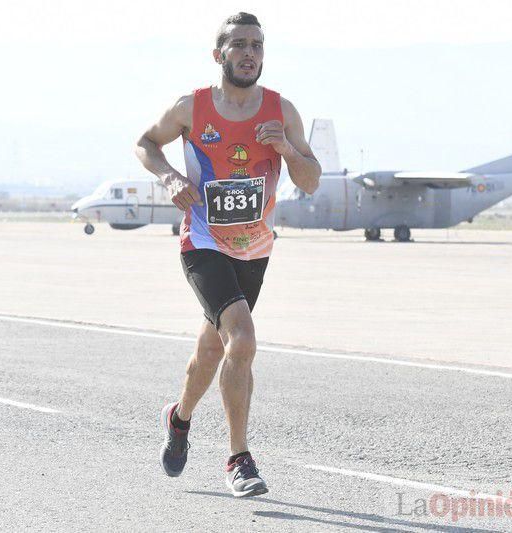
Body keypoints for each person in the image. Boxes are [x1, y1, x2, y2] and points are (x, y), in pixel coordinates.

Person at [134, 12, 321, 497]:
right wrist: (171, 177)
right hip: (203, 241)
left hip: (255, 249)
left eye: (257, 45)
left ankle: (179, 418)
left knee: (212, 350)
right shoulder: (192, 107)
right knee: (242, 337)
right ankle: (239, 459)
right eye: (238, 45)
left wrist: (286, 148)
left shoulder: (282, 112)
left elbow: (310, 179)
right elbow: (145, 143)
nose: (249, 53)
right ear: (219, 55)